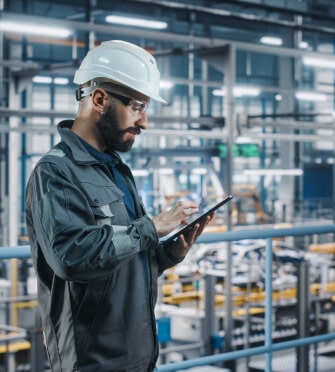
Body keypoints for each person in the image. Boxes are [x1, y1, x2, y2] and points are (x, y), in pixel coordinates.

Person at [25, 40, 213, 372]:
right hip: (92, 362)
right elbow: (72, 258)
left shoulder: (117, 171)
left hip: (139, 356)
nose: (144, 123)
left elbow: (121, 259)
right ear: (99, 99)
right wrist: (151, 228)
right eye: (138, 106)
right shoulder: (55, 173)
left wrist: (166, 254)